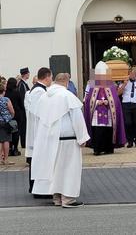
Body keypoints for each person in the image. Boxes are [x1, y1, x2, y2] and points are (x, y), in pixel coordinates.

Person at [31, 73, 90, 208]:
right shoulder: (67, 96)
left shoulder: (44, 97)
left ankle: (57, 197)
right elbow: (77, 118)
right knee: (69, 168)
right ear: (67, 82)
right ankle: (68, 198)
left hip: (49, 139)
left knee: (55, 169)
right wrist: (82, 137)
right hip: (67, 138)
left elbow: (39, 119)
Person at [84, 61, 126, 155]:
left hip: (108, 112)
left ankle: (108, 148)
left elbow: (115, 100)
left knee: (108, 131)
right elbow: (88, 100)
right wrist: (98, 102)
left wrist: (108, 102)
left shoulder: (111, 85)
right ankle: (97, 149)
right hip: (96, 112)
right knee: (98, 131)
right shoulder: (92, 84)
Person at [25, 67, 53, 195]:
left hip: (37, 130)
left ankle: (37, 188)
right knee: (37, 160)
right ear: (46, 77)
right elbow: (40, 112)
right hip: (37, 131)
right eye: (51, 77)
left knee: (37, 160)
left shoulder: (37, 89)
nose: (51, 80)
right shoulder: (39, 92)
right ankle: (36, 189)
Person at [118, 67, 136, 148]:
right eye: (132, 73)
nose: (133, 75)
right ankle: (129, 141)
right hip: (126, 104)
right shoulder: (124, 82)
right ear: (129, 74)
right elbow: (118, 93)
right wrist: (124, 84)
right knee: (128, 123)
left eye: (135, 73)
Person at [5, 77, 25, 156]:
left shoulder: (5, 93)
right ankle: (15, 148)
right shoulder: (17, 92)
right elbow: (21, 104)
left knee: (9, 132)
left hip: (7, 115)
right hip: (17, 114)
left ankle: (9, 149)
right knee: (16, 132)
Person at [0, 82, 15, 165]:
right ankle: (5, 159)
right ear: (3, 91)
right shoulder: (6, 99)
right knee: (6, 140)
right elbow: (12, 110)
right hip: (6, 122)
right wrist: (11, 117)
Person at [18, 67, 30, 148]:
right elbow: (22, 98)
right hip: (23, 110)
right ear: (26, 74)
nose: (29, 74)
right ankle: (24, 143)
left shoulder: (23, 83)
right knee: (23, 127)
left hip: (23, 109)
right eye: (28, 73)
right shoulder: (22, 84)